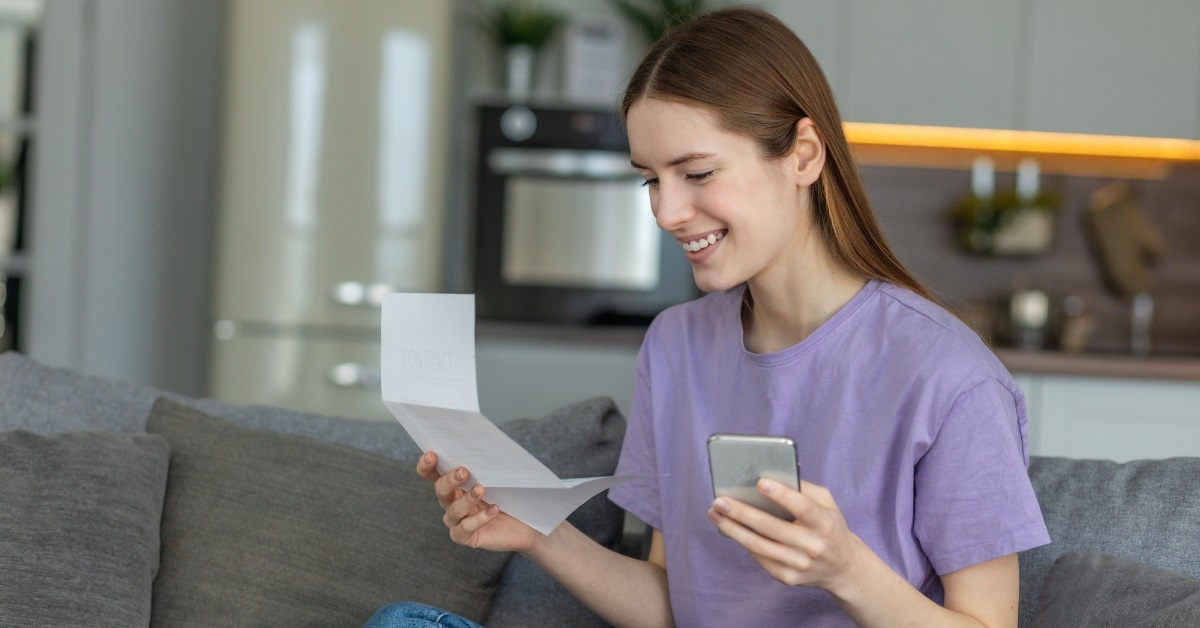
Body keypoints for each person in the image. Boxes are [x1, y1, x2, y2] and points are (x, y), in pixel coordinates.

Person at [369, 6, 1049, 627]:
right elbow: (673, 605)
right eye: (650, 179)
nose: (666, 213)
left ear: (803, 155)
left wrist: (847, 570)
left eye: (696, 174)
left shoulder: (948, 376)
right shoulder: (678, 345)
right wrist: (537, 533)